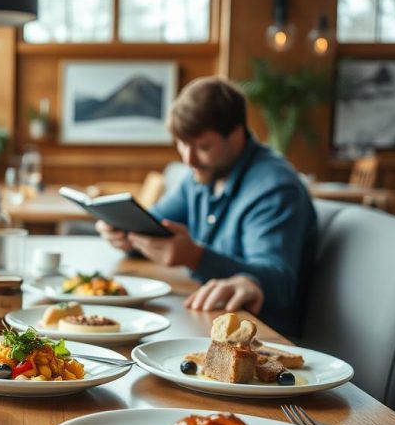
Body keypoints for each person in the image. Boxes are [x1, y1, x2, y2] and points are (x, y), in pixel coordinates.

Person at [97, 77, 317, 335]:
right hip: (206, 318)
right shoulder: (200, 177)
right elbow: (154, 224)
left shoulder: (274, 188)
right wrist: (125, 234)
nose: (189, 159)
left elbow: (279, 283)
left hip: (259, 335)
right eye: (181, 143)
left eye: (203, 147)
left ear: (236, 135)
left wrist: (195, 257)